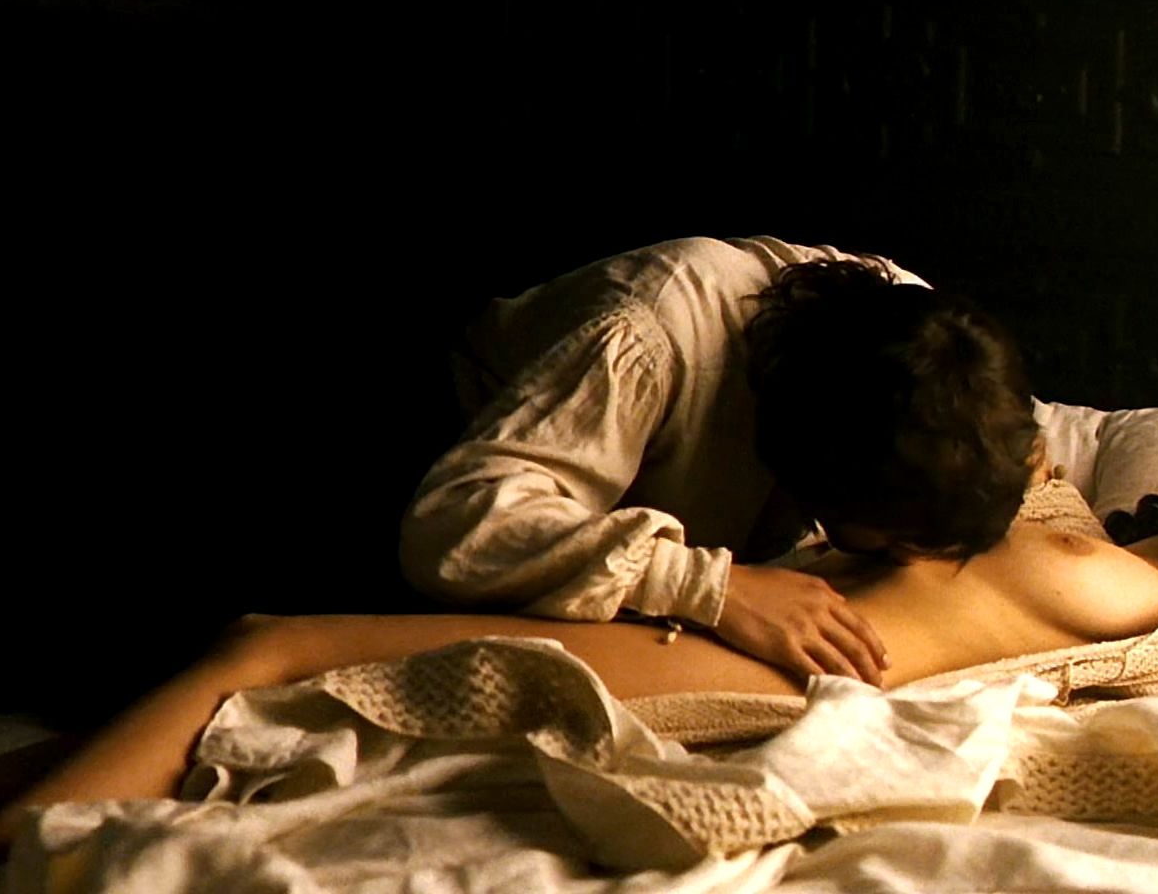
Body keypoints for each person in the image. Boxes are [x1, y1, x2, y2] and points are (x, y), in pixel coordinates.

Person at [0, 412, 1158, 894]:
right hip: (722, 611)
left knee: (281, 648)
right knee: (282, 668)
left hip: (807, 691)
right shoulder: (1037, 470)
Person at [400, 237, 1041, 686]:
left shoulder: (941, 356)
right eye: (888, 544)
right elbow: (456, 525)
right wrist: (714, 587)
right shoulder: (650, 335)